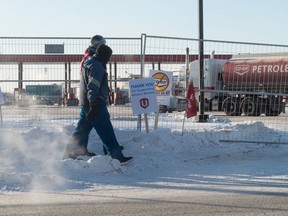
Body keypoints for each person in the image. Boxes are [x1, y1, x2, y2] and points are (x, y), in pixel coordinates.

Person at [63, 42, 133, 165]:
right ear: (105, 56)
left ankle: (70, 153)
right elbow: (93, 87)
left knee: (82, 129)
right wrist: (94, 105)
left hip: (86, 103)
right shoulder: (97, 67)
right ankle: (117, 157)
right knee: (106, 130)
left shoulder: (89, 62)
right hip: (95, 103)